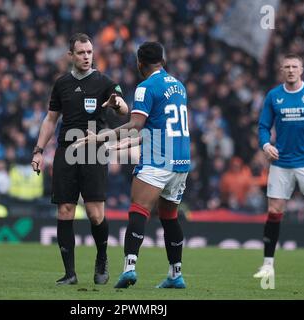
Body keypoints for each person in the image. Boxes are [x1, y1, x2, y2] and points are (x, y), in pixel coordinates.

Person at [74, 41, 191, 289]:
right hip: (180, 161)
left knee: (139, 210)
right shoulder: (179, 86)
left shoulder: (145, 88)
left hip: (157, 160)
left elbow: (135, 125)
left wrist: (100, 137)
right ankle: (175, 274)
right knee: (170, 216)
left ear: (140, 63)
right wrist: (121, 146)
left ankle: (129, 269)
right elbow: (158, 127)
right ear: (163, 60)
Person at [31, 33, 129, 285]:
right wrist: (38, 151)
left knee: (96, 214)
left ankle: (102, 258)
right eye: (81, 53)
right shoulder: (62, 84)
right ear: (71, 55)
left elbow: (124, 109)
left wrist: (116, 104)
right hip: (67, 151)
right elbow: (51, 119)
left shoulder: (105, 81)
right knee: (65, 211)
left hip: (94, 150)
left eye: (89, 52)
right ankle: (70, 274)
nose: (86, 56)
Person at [254, 54, 304, 278]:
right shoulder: (274, 96)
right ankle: (268, 265)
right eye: (286, 66)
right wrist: (266, 144)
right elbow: (263, 126)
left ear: (302, 70)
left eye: (294, 66)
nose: (290, 70)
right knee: (274, 211)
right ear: (281, 70)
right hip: (281, 162)